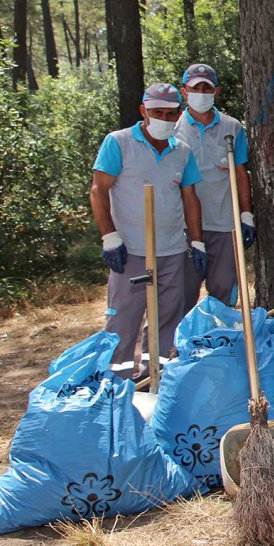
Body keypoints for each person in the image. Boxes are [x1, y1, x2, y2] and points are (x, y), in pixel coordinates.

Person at [90, 83, 204, 380]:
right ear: (144, 111)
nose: (164, 119)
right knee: (124, 318)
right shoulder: (119, 142)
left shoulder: (182, 151)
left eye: (170, 114)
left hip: (171, 250)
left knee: (168, 318)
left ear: (179, 114)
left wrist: (197, 242)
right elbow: (98, 190)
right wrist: (109, 236)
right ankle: (116, 381)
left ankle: (156, 377)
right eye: (157, 113)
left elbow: (190, 198)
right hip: (130, 251)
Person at [174, 63, 255, 313]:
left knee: (223, 290)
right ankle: (173, 348)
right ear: (184, 91)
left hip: (224, 223)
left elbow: (240, 173)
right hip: (184, 227)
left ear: (216, 91)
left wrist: (246, 214)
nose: (201, 92)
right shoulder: (173, 129)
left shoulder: (232, 127)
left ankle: (218, 344)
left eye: (206, 88)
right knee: (181, 294)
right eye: (195, 87)